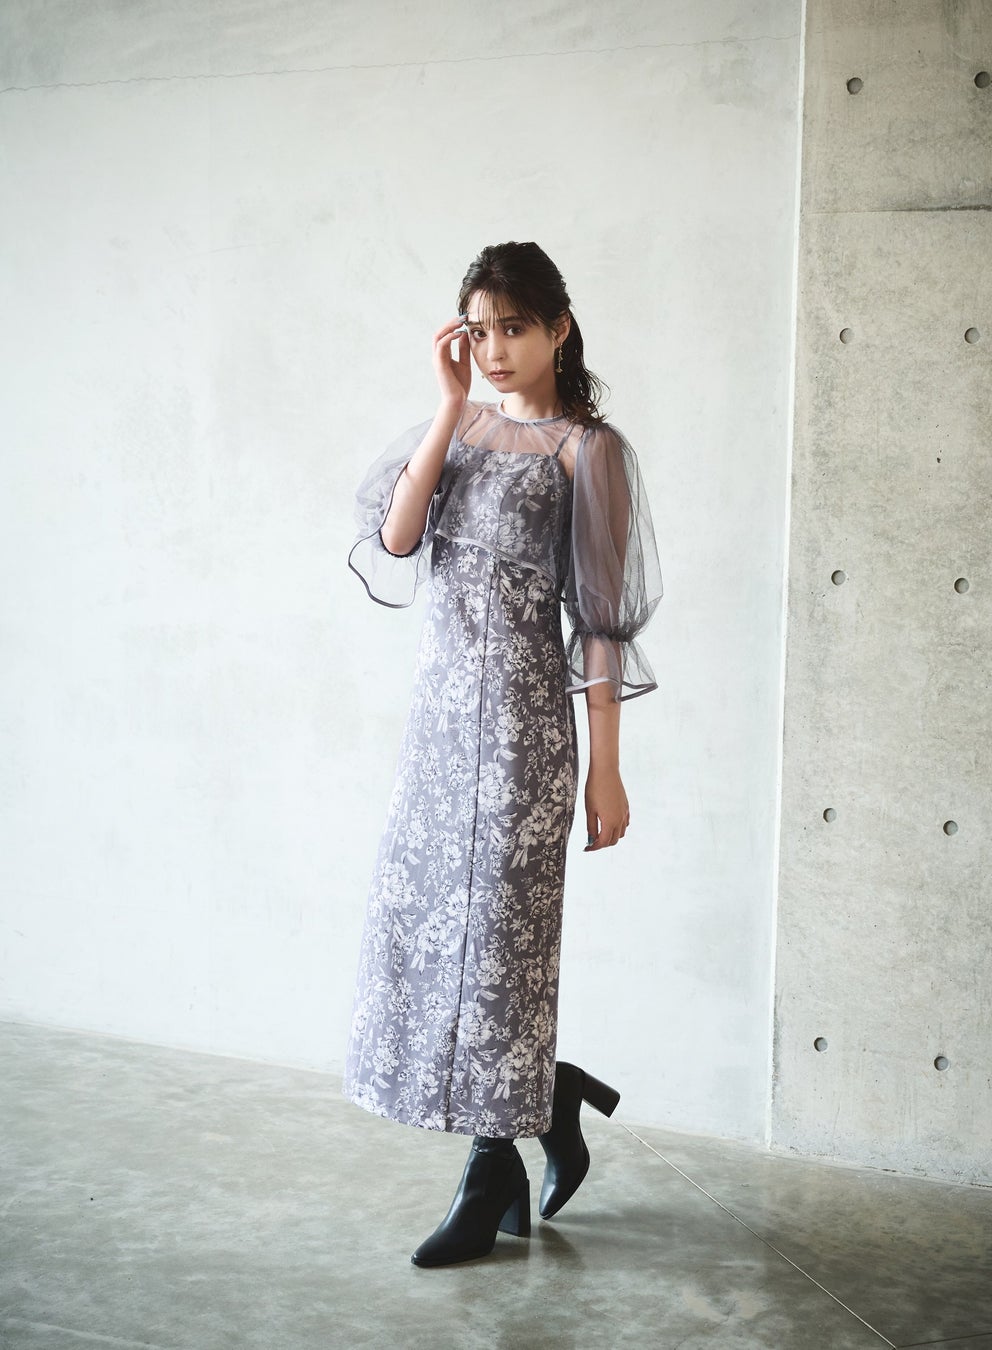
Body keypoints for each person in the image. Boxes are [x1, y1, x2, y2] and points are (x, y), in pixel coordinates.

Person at [342, 241, 662, 1267]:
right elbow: (398, 542)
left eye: (512, 328)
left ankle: (490, 1171)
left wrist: (605, 766)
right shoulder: (458, 427)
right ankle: (547, 1097)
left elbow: (600, 623)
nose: (492, 349)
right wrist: (446, 407)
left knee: (499, 954)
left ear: (558, 329)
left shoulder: (587, 451)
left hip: (525, 737)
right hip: (438, 735)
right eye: (478, 330)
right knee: (434, 936)